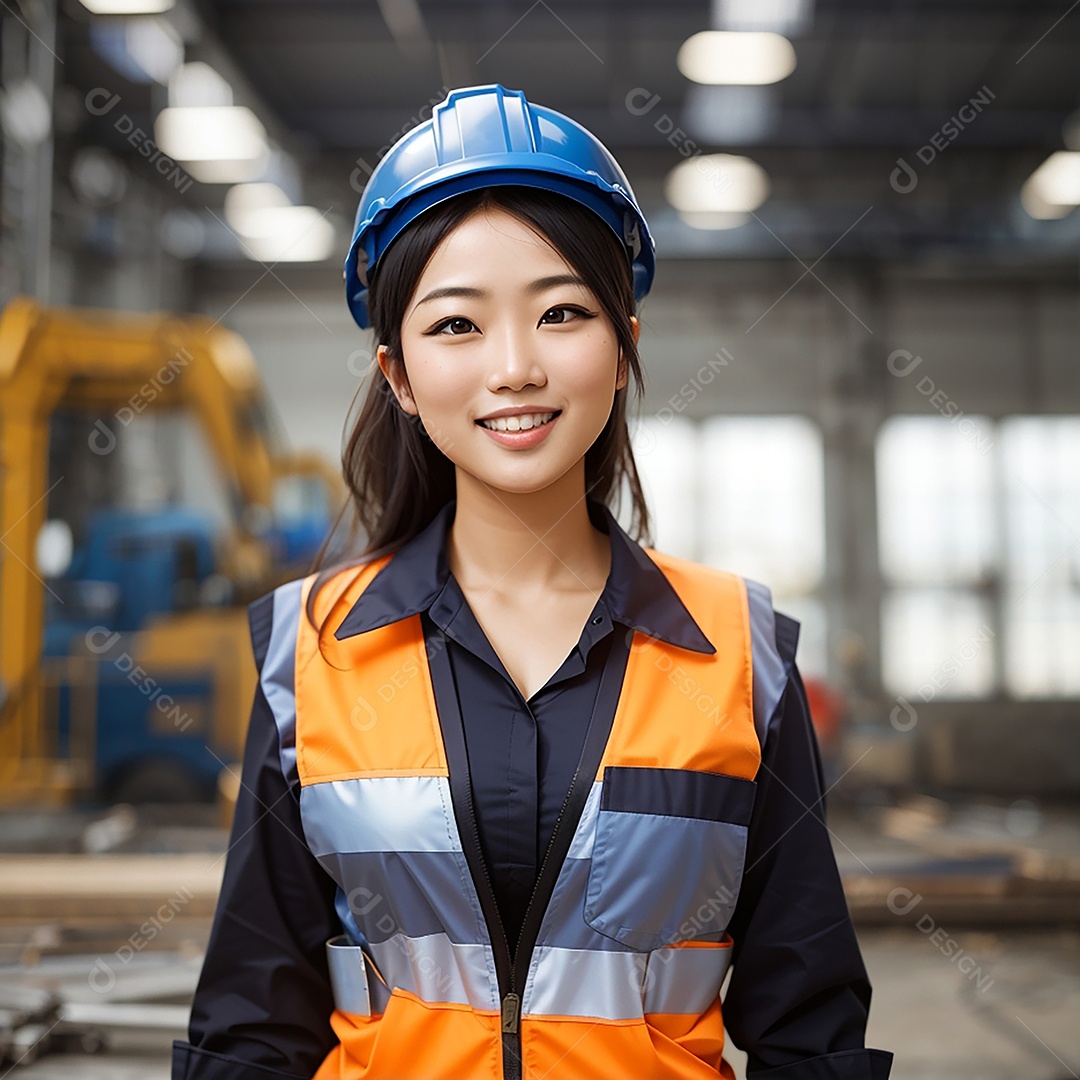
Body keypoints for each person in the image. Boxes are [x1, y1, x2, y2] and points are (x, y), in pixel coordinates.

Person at [172, 83, 893, 1080]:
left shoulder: (737, 652)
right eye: (458, 326)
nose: (514, 367)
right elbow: (253, 1023)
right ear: (399, 375)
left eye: (561, 312)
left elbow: (808, 1032)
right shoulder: (313, 653)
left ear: (626, 343)